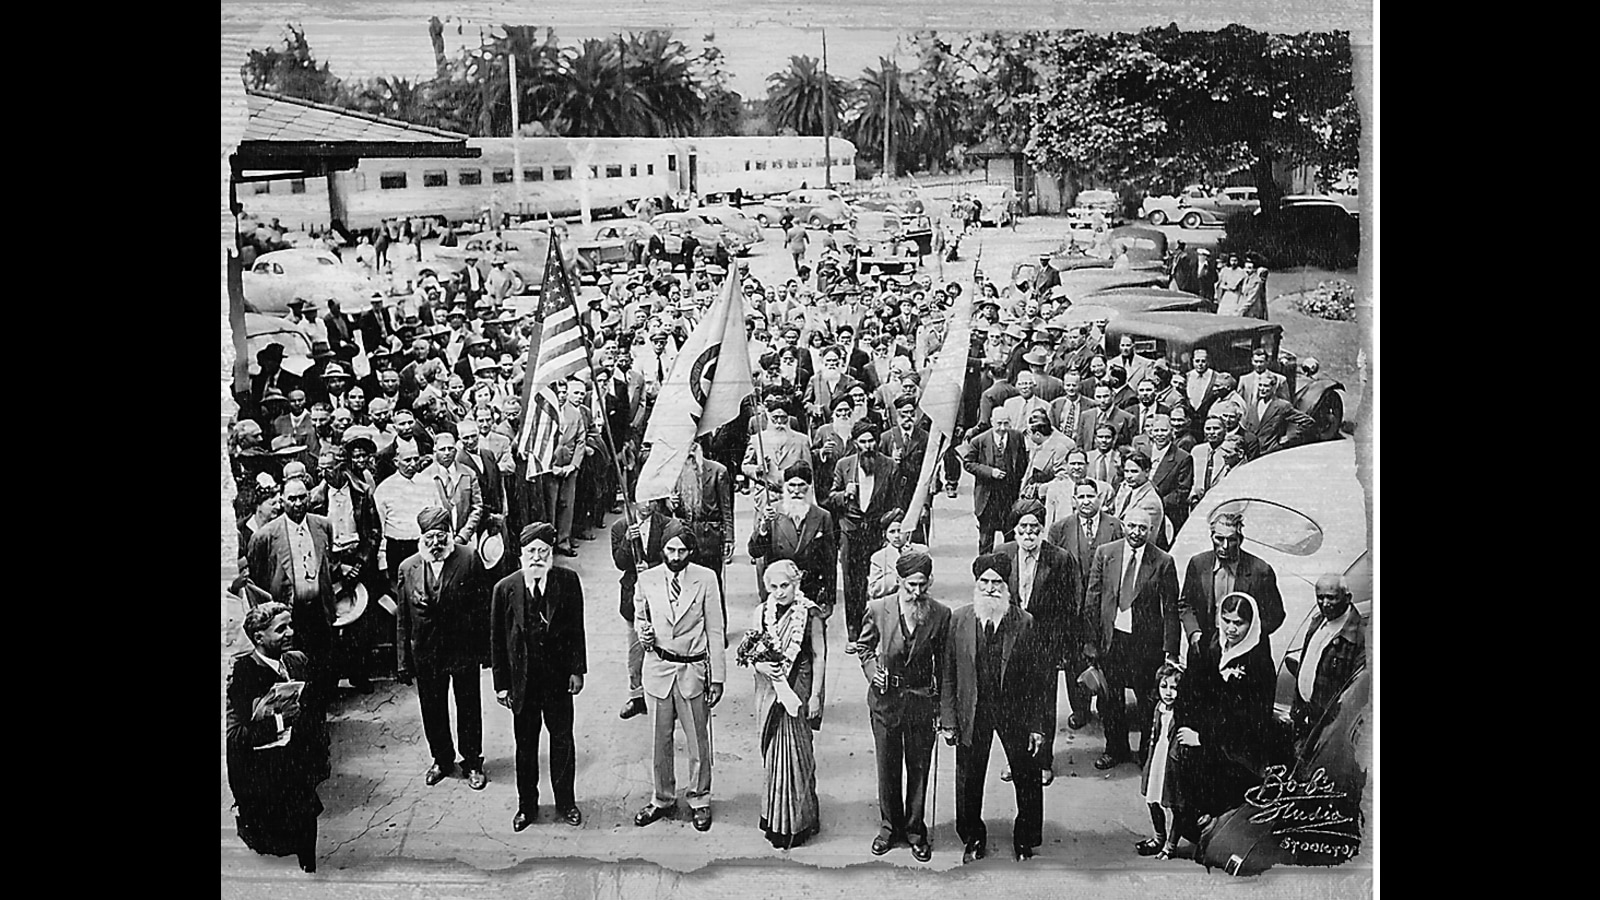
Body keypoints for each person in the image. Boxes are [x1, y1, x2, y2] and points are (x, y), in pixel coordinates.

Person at [942, 552, 1052, 863]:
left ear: (1007, 586)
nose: (990, 588)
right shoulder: (959, 620)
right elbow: (948, 672)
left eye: (997, 582)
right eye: (984, 582)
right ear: (976, 584)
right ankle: (973, 836)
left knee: (1026, 775)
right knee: (969, 776)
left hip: (1014, 711)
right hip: (973, 710)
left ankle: (1025, 838)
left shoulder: (1024, 622)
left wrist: (1036, 726)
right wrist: (948, 719)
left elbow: (1038, 680)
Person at [492, 523, 588, 831]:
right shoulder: (505, 588)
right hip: (523, 683)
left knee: (562, 741)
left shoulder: (567, 581)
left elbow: (576, 630)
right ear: (521, 554)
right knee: (525, 746)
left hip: (557, 681)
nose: (537, 557)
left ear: (551, 554)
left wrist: (577, 670)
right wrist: (501, 685)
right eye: (531, 551)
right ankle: (527, 807)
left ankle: (566, 803)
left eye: (543, 551)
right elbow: (497, 641)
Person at [857, 550, 951, 862]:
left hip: (921, 703)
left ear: (930, 581)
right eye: (911, 585)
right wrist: (873, 673)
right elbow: (864, 647)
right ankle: (889, 827)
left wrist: (943, 710)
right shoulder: (878, 608)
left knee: (919, 767)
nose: (916, 591)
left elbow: (945, 665)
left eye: (922, 584)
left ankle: (915, 830)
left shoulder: (940, 614)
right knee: (887, 767)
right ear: (899, 581)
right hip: (885, 703)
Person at [633, 525, 727, 832]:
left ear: (691, 551)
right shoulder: (646, 579)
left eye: (682, 551)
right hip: (658, 669)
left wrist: (717, 678)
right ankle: (662, 798)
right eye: (670, 550)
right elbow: (640, 618)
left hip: (692, 671)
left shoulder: (706, 578)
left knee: (698, 740)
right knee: (658, 740)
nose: (675, 557)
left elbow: (715, 629)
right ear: (662, 549)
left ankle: (700, 798)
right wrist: (644, 635)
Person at [395, 507, 490, 791]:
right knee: (432, 708)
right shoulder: (408, 568)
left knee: (469, 707)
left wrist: (486, 652)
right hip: (426, 653)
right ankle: (442, 759)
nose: (436, 543)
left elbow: (483, 608)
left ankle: (472, 762)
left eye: (441, 536)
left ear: (450, 533)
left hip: (463, 650)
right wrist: (402, 661)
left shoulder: (469, 558)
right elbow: (403, 618)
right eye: (429, 537)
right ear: (421, 538)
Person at [226, 602, 324, 873]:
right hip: (266, 782)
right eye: (281, 629)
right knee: (273, 855)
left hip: (300, 775)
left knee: (307, 837)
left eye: (290, 625)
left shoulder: (297, 661)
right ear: (259, 637)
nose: (290, 632)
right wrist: (280, 721)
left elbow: (315, 713)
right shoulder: (242, 674)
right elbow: (235, 737)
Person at [1170, 592, 1276, 842]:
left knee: (1222, 816)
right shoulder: (1212, 646)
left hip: (1233, 751)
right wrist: (1186, 724)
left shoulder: (1258, 662)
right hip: (1198, 738)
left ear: (1251, 624)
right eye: (1226, 620)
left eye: (1239, 623)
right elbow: (1189, 689)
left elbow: (1252, 720)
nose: (1231, 629)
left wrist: (1205, 738)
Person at [1083, 507, 1180, 770]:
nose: (1136, 532)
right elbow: (1092, 598)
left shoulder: (1163, 561)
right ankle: (1115, 749)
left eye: (1142, 528)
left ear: (1151, 531)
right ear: (1123, 525)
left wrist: (1171, 650)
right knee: (1110, 700)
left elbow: (1171, 609)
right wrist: (1090, 642)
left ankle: (1147, 753)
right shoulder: (1106, 553)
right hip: (1112, 641)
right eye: (1132, 526)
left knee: (1147, 701)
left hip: (1146, 646)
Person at [745, 560, 828, 849]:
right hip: (769, 692)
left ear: (796, 584)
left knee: (798, 753)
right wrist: (760, 666)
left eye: (785, 586)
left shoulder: (811, 614)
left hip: (798, 689)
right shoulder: (761, 613)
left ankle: (800, 821)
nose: (780, 592)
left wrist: (815, 696)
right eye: (774, 587)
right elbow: (751, 652)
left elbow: (819, 656)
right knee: (774, 756)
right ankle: (775, 817)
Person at [992, 500, 1078, 776]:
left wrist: (1061, 648)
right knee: (1011, 703)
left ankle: (1043, 762)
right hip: (1009, 644)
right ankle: (1015, 759)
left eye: (1034, 527)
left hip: (1045, 644)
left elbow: (1067, 607)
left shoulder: (1059, 558)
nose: (1029, 532)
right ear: (1015, 529)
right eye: (1023, 526)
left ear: (1042, 528)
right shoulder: (1002, 553)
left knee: (1043, 702)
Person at [246, 477, 337, 696]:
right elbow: (257, 581)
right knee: (293, 667)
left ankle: (320, 708)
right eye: (292, 499)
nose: (297, 503)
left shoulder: (323, 525)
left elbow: (329, 565)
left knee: (322, 663)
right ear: (282, 501)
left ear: (309, 498)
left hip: (318, 609)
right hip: (288, 613)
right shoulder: (265, 536)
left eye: (302, 497)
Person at [827, 419, 901, 653]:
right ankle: (854, 633)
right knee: (852, 584)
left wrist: (887, 525)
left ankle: (877, 632)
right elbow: (831, 497)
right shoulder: (844, 465)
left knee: (878, 582)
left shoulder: (889, 465)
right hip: (850, 532)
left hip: (876, 532)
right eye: (863, 441)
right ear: (856, 443)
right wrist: (844, 494)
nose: (868, 446)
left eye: (871, 441)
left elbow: (896, 502)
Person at [611, 499, 684, 721]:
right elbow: (620, 562)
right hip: (633, 596)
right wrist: (627, 541)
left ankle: (668, 697)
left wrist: (651, 568)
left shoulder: (668, 525)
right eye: (643, 500)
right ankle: (637, 696)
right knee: (636, 649)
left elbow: (676, 559)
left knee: (665, 646)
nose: (647, 506)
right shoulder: (620, 527)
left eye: (652, 501)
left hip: (662, 595)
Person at [1179, 512, 1287, 658]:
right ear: (1211, 537)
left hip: (1247, 655)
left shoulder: (1261, 571)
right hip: (1204, 650)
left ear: (1240, 540)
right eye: (1219, 539)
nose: (1225, 546)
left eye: (1231, 540)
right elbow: (1185, 604)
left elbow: (1276, 615)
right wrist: (1194, 633)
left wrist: (1247, 636)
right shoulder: (1198, 564)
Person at [748, 461, 838, 613]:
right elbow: (755, 551)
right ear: (785, 487)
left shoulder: (823, 516)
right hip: (779, 590)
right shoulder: (772, 512)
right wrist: (763, 527)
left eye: (801, 485)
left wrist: (829, 599)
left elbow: (829, 562)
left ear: (809, 487)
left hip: (810, 590)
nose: (796, 490)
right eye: (792, 485)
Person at [1290, 573, 1366, 742]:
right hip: (1304, 720)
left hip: (1328, 731)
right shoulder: (1317, 621)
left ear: (1347, 598)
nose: (1324, 603)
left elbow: (1356, 694)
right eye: (1320, 597)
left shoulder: (1360, 637)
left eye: (1331, 598)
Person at [1138, 662, 1187, 859]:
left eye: (1174, 688)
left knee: (1176, 805)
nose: (1168, 692)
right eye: (1164, 686)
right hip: (1158, 757)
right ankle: (1159, 837)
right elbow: (1155, 734)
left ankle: (1171, 845)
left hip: (1174, 762)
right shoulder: (1159, 707)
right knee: (1152, 799)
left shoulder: (1182, 712)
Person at [963, 407, 1028, 554]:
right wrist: (990, 472)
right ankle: (985, 565)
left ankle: (1010, 565)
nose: (1002, 428)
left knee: (1010, 537)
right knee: (986, 539)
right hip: (988, 498)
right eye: (999, 423)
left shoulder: (1017, 437)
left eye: (1006, 423)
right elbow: (968, 463)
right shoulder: (979, 441)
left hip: (1009, 497)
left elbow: (1023, 462)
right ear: (992, 422)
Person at [1241, 374, 1313, 455]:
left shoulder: (1281, 406)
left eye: (1266, 386)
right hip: (1253, 452)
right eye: (1260, 385)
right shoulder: (1253, 405)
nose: (1262, 389)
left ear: (1273, 387)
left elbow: (1307, 421)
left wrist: (1287, 437)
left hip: (1271, 451)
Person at [867, 511, 928, 600]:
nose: (897, 536)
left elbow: (929, 579)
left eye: (900, 531)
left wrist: (911, 558)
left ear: (907, 532)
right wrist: (898, 575)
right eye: (892, 532)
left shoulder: (920, 551)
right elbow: (873, 590)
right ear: (885, 534)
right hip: (890, 602)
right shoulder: (878, 558)